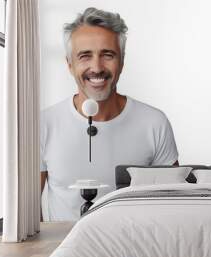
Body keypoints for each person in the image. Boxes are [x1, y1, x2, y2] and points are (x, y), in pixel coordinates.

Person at [40, 8, 179, 221]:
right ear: (69, 64)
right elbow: (26, 210)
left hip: (136, 251)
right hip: (64, 250)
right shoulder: (43, 124)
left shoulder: (154, 123)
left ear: (122, 62)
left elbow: (172, 207)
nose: (96, 67)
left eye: (107, 55)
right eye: (85, 56)